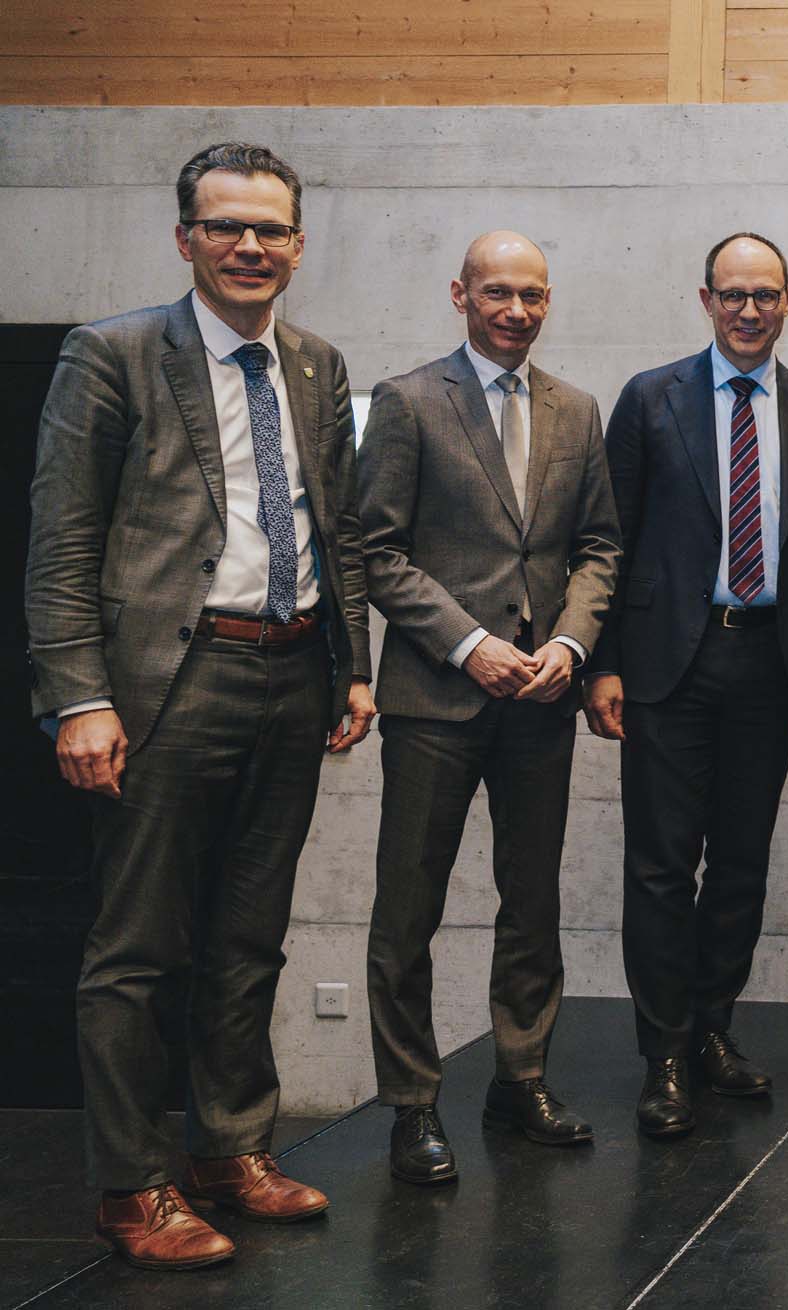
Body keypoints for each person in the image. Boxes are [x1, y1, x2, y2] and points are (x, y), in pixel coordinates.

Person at [27, 142, 376, 1269]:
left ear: (297, 244)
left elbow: (337, 528)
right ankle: (134, 1185)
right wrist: (77, 695)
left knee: (247, 936)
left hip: (292, 672)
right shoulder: (114, 354)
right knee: (136, 951)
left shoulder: (316, 365)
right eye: (226, 226)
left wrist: (352, 661)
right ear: (185, 237)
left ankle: (229, 1147)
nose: (249, 246)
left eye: (270, 229)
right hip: (166, 686)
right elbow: (62, 541)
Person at [357, 231, 621, 1184]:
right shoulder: (409, 401)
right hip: (436, 699)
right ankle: (411, 1105)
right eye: (498, 293)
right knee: (409, 908)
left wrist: (569, 643)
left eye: (534, 295)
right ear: (460, 295)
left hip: (541, 701)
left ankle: (520, 1077)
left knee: (532, 903)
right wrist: (469, 643)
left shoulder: (576, 409)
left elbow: (598, 549)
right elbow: (375, 550)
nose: (517, 310)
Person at [585, 232, 788, 1139]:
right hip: (668, 666)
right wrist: (606, 660)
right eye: (733, 295)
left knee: (740, 865)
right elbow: (608, 541)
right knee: (662, 868)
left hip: (770, 665)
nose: (749, 311)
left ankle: (712, 1034)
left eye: (766, 296)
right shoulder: (649, 399)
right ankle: (661, 1055)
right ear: (705, 300)